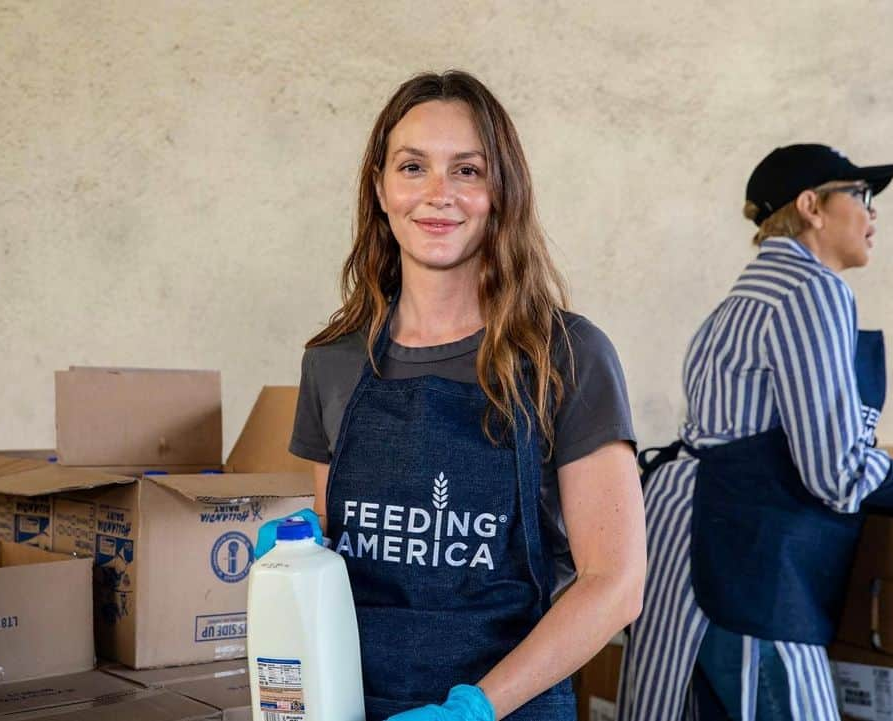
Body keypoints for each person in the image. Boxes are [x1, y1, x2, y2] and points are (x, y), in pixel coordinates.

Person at [257, 70, 646, 721]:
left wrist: (472, 708)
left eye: (467, 170)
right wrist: (298, 551)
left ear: (502, 192)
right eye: (413, 167)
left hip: (509, 708)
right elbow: (344, 542)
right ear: (381, 188)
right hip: (352, 704)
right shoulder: (332, 361)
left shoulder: (567, 357)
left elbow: (616, 584)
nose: (438, 195)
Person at [616, 143, 893, 721]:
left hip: (686, 555)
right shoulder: (811, 291)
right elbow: (836, 471)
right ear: (812, 207)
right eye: (863, 197)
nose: (874, 216)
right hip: (745, 566)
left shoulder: (742, 298)